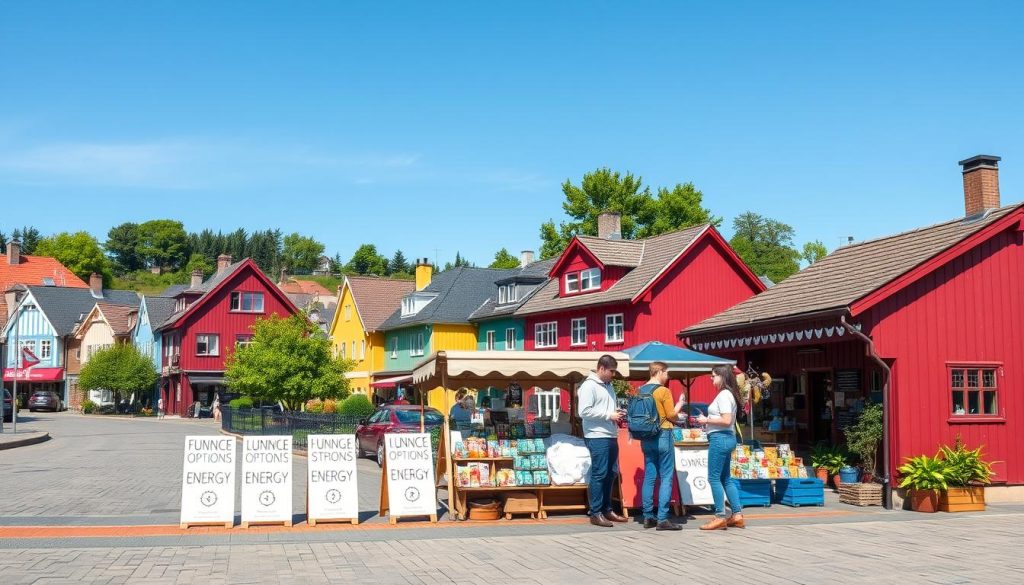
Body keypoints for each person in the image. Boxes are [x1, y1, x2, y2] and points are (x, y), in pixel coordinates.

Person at [577, 354, 628, 527]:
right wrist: (609, 415)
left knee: (611, 472)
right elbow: (583, 411)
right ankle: (595, 512)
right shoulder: (588, 386)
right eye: (611, 371)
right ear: (601, 368)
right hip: (596, 435)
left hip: (610, 433)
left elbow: (605, 409)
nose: (613, 375)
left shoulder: (609, 386)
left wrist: (616, 413)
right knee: (599, 473)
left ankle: (607, 509)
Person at [696, 364, 746, 530]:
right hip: (726, 438)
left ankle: (719, 515)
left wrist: (706, 420)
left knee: (714, 478)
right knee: (726, 478)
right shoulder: (728, 394)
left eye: (713, 376)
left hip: (720, 438)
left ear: (722, 377)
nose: (711, 379)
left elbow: (725, 420)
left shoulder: (724, 395)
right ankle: (737, 514)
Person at [639, 361, 687, 531]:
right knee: (666, 476)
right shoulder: (663, 391)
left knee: (650, 476)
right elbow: (671, 415)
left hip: (645, 437)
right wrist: (680, 407)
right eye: (667, 373)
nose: (668, 376)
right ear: (659, 372)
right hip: (663, 434)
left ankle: (647, 516)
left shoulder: (640, 390)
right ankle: (662, 518)